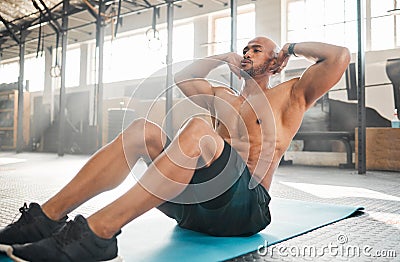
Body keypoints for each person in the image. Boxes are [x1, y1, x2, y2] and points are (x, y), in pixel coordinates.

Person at [0, 37, 350, 261]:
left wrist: (289, 49)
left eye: (255, 49)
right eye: (245, 49)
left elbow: (338, 56)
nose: (246, 53)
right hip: (197, 210)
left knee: (197, 129)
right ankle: (44, 220)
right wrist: (219, 57)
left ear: (273, 62)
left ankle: (97, 234)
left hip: (245, 210)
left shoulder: (291, 94)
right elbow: (183, 79)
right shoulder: (223, 97)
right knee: (141, 131)